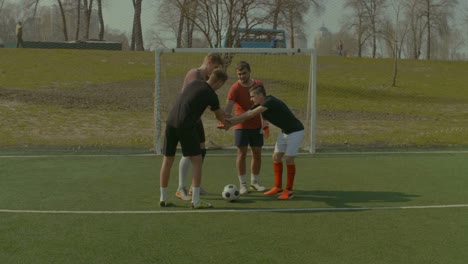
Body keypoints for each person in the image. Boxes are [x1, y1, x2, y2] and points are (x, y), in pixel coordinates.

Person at [159, 68, 229, 209]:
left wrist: (222, 115)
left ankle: (163, 198)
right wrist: (227, 122)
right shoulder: (212, 95)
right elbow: (219, 117)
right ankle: (196, 200)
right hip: (185, 125)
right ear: (220, 82)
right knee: (197, 160)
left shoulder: (195, 83)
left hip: (171, 122)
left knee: (167, 160)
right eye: (222, 84)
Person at [226, 85, 304, 200]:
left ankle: (289, 190)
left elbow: (250, 114)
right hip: (285, 132)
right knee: (276, 157)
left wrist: (230, 120)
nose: (251, 99)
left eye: (252, 96)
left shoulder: (270, 101)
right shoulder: (260, 105)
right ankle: (278, 187)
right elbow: (246, 116)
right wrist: (228, 124)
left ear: (260, 95)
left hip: (296, 131)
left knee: (288, 159)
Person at [175, 53, 224, 201]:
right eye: (215, 67)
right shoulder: (194, 73)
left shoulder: (206, 79)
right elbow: (193, 96)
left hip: (196, 119)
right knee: (189, 153)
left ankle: (194, 186)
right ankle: (180, 187)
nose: (215, 71)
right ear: (209, 62)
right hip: (186, 119)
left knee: (201, 150)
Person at [223, 61, 267, 194]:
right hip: (241, 125)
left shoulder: (259, 84)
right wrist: (225, 120)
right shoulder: (234, 88)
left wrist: (266, 122)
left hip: (256, 125)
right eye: (239, 74)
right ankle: (243, 184)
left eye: (244, 73)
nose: (241, 76)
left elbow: (264, 104)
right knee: (241, 154)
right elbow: (228, 107)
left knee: (257, 154)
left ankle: (255, 182)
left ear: (250, 71)